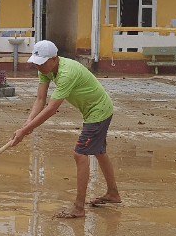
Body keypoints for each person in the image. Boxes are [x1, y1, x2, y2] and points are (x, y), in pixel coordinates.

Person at [11, 39, 121, 219]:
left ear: (54, 59)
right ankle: (113, 194)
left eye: (42, 63)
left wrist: (25, 131)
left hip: (98, 111)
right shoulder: (46, 70)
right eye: (37, 64)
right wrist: (26, 125)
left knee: (80, 154)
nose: (39, 68)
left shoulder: (66, 73)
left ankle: (79, 208)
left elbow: (52, 108)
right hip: (93, 111)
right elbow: (40, 99)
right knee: (99, 151)